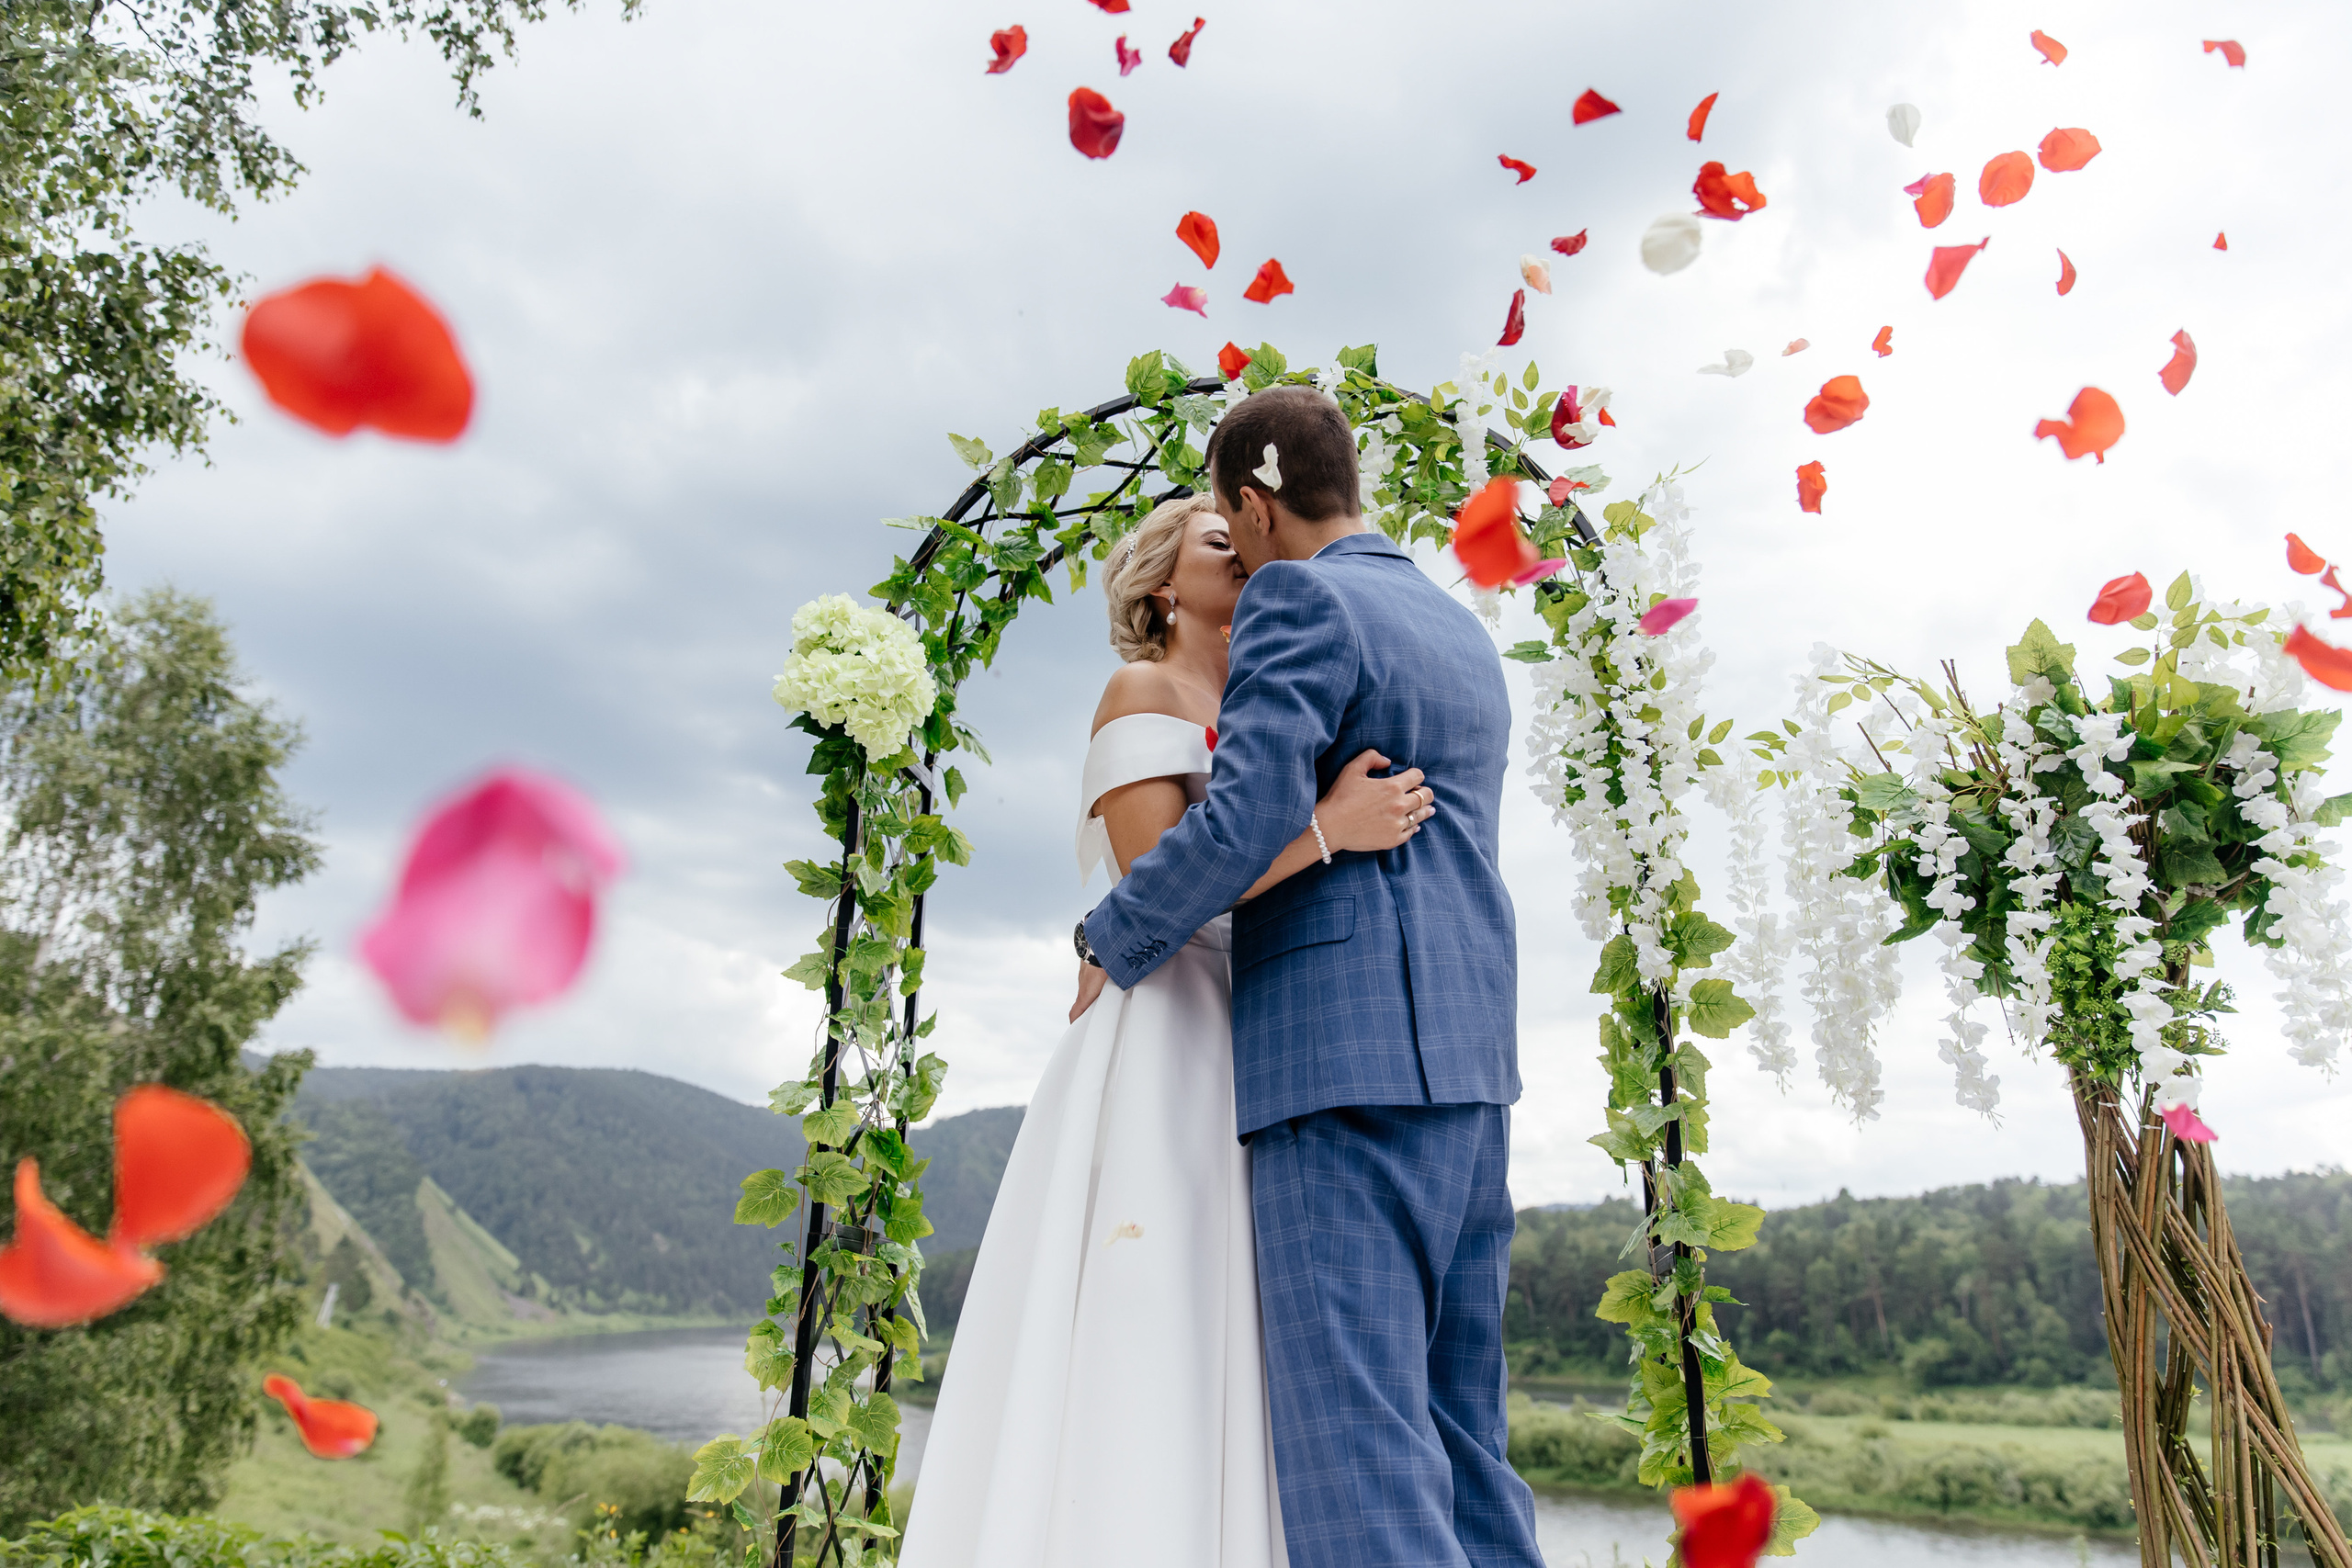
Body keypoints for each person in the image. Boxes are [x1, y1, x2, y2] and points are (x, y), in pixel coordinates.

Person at [899, 488, 1436, 1568]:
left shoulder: (1274, 699)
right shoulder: (1139, 689)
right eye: (1213, 537)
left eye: (1248, 529)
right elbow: (1155, 887)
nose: (1242, 541)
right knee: (1149, 1310)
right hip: (1164, 1035)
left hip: (1264, 1033)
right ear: (1159, 584)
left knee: (1243, 1326)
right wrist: (1325, 832)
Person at [1082, 387, 1543, 1568]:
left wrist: (1109, 933)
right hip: (1471, 1065)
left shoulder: (1298, 593)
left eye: (1234, 531)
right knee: (1466, 1441)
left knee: (1361, 1456)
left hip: (1336, 1068)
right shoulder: (1456, 624)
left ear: (1253, 502)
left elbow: (1244, 824)